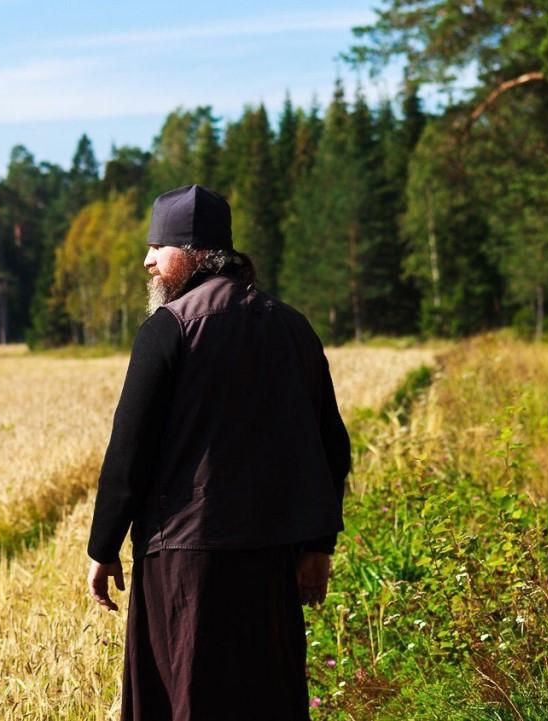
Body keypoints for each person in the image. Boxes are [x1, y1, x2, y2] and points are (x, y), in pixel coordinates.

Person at [85, 184, 351, 721]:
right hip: (271, 560)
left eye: (157, 248)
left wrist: (103, 546)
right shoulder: (292, 326)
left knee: (187, 700)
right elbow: (331, 446)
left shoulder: (169, 328)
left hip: (186, 564)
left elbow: (130, 449)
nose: (148, 262)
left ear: (194, 251)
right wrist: (317, 545)